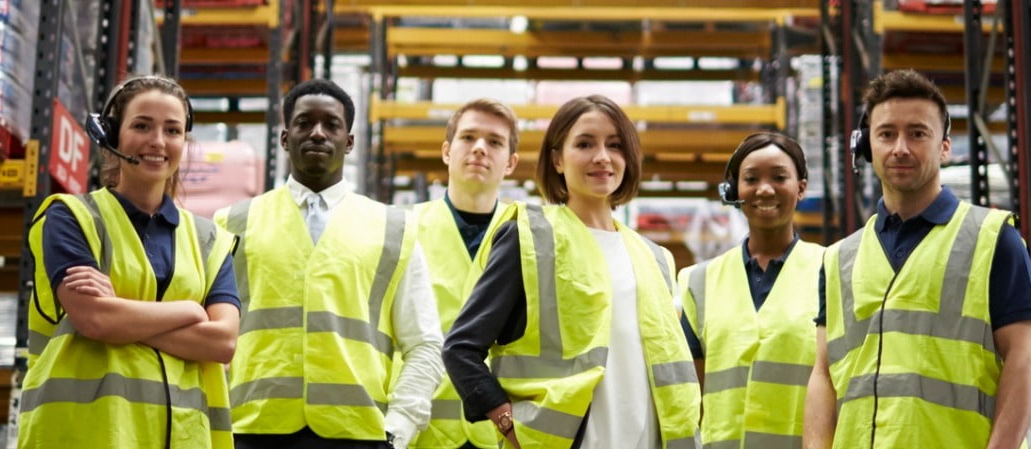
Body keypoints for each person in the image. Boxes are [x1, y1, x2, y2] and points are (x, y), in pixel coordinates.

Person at [802, 69, 1031, 449]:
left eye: (918, 133)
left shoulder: (993, 239)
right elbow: (823, 373)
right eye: (886, 134)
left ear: (944, 147)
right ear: (868, 146)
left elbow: (1026, 358)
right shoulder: (838, 259)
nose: (901, 147)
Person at [443, 95, 701, 449]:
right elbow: (460, 348)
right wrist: (508, 424)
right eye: (584, 144)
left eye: (615, 145)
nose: (602, 157)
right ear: (557, 159)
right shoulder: (531, 236)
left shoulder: (654, 256)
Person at [215, 79, 443, 449]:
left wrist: (398, 429)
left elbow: (425, 342)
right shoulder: (233, 223)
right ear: (285, 138)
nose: (318, 133)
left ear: (348, 141)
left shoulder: (394, 229)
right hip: (253, 432)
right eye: (305, 123)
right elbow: (208, 336)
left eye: (331, 125)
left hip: (357, 434)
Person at [20, 75, 241, 449]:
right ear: (111, 135)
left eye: (172, 130)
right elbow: (95, 318)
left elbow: (222, 342)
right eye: (141, 126)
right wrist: (189, 310)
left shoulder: (210, 241)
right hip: (86, 436)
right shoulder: (71, 218)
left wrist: (119, 315)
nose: (157, 141)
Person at [676, 132, 822, 449]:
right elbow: (690, 395)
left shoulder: (832, 270)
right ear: (733, 190)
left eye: (779, 177)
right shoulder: (698, 281)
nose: (765, 189)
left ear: (801, 188)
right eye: (751, 178)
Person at [404, 98, 521, 449]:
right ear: (446, 151)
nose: (480, 149)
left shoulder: (532, 236)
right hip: (421, 431)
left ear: (511, 162)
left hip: (502, 430)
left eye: (495, 142)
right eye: (468, 138)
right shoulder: (403, 229)